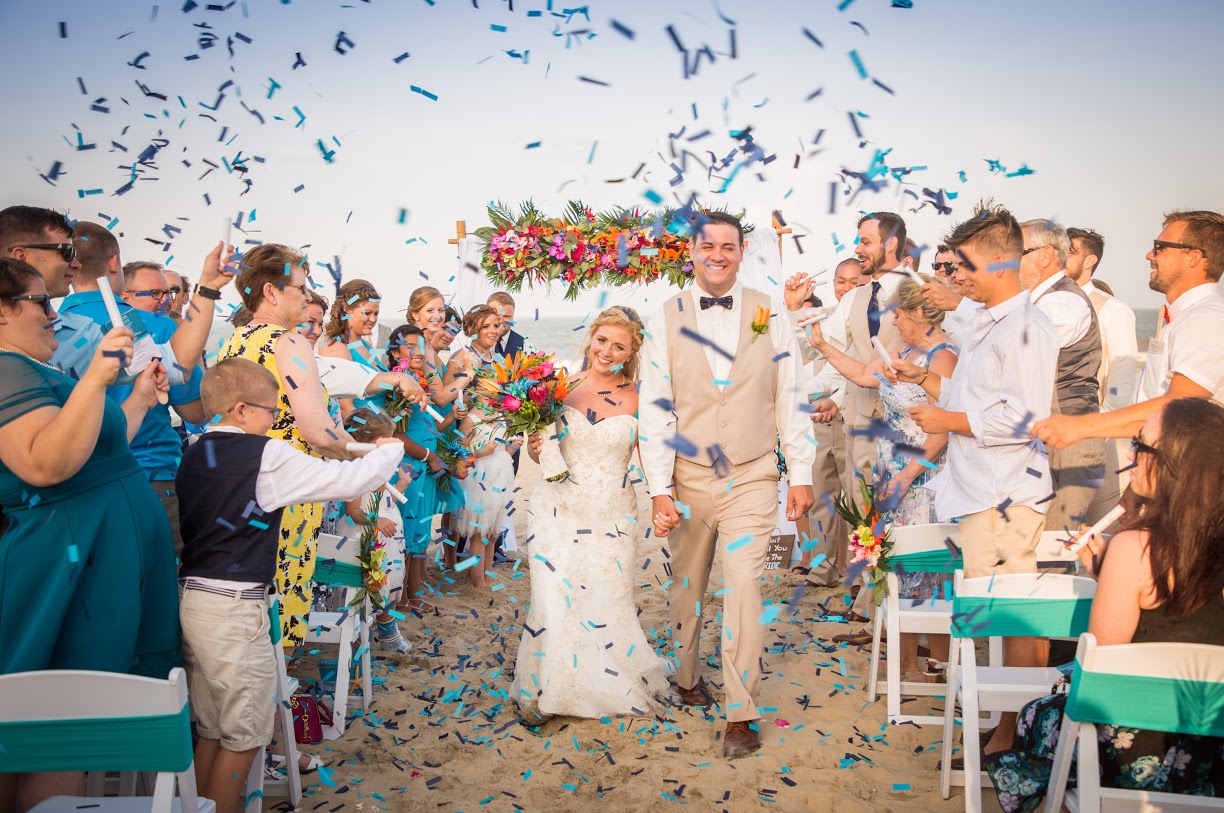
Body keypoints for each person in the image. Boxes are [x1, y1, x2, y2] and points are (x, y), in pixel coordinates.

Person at [176, 359, 403, 813]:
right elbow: (349, 481)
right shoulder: (263, 456)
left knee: (212, 729)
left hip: (193, 599)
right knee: (245, 734)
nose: (276, 419)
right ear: (240, 410)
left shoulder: (195, 449)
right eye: (270, 410)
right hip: (236, 605)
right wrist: (389, 450)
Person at [985, 398, 1224, 811]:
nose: (1130, 455)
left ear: (1174, 464)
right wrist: (1107, 573)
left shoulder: (1136, 549)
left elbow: (1098, 678)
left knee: (1038, 716)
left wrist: (1116, 569)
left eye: (1140, 445)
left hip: (1142, 750)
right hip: (1213, 750)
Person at [0, 257, 176, 811]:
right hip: (71, 559)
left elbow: (96, 449)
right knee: (58, 720)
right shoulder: (7, 369)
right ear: (3, 312)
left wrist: (140, 398)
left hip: (104, 554)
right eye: (39, 302)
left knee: (73, 715)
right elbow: (44, 465)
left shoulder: (35, 369)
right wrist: (97, 376)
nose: (53, 315)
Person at [886, 201, 1059, 757]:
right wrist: (929, 386)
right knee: (1002, 615)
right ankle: (1010, 727)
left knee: (1014, 618)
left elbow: (1026, 415)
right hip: (978, 490)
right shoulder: (991, 323)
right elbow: (973, 399)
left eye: (963, 267)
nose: (956, 278)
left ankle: (1016, 735)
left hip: (1004, 494)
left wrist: (948, 420)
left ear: (999, 263)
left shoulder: (1028, 327)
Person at [642, 212, 815, 758]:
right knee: (687, 588)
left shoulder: (771, 313)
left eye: (728, 246)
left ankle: (741, 713)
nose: (718, 255)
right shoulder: (661, 317)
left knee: (743, 588)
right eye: (707, 246)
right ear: (691, 252)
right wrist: (658, 488)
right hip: (688, 478)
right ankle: (688, 677)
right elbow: (654, 408)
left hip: (754, 474)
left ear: (743, 252)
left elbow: (790, 394)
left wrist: (802, 472)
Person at [217, 244, 426, 645]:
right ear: (271, 292)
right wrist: (371, 458)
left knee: (252, 603)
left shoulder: (236, 341)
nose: (307, 294)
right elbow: (318, 431)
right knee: (282, 601)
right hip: (288, 490)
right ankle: (283, 698)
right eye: (300, 286)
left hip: (240, 486)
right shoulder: (289, 342)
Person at [512, 307, 670, 720]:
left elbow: (652, 456)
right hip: (555, 508)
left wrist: (662, 498)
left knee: (604, 595)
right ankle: (549, 688)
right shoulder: (558, 388)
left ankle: (605, 682)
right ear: (589, 339)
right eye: (602, 340)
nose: (607, 350)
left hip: (612, 512)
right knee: (551, 595)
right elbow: (541, 442)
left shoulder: (640, 397)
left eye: (619, 345)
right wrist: (535, 448)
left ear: (632, 351)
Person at [805, 275, 957, 677]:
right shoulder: (906, 350)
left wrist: (907, 476)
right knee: (897, 569)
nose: (894, 324)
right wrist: (822, 345)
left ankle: (939, 666)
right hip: (893, 474)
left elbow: (943, 430)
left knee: (925, 573)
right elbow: (862, 376)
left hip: (924, 479)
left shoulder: (943, 359)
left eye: (899, 316)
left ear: (920, 313)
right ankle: (905, 663)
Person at [784, 212, 911, 636]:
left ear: (891, 244)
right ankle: (863, 597)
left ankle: (877, 608)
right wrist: (792, 309)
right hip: (859, 417)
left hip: (904, 424)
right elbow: (825, 350)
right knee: (861, 514)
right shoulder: (856, 299)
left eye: (865, 241)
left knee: (889, 515)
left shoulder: (917, 290)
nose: (858, 248)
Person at [63, 222, 215, 557]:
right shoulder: (157, 326)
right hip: (150, 475)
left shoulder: (48, 328)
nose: (164, 300)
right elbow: (195, 411)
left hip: (74, 479)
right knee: (160, 585)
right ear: (114, 263)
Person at [1033, 210, 1224, 449]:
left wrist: (1082, 427)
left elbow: (1180, 405)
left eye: (1160, 247)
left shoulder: (1205, 319)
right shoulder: (1187, 318)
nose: (1149, 255)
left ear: (1194, 257)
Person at [1018, 219, 1105, 532]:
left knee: (1053, 550)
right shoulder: (1036, 301)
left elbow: (1018, 351)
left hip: (1068, 446)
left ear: (1043, 256)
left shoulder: (1063, 301)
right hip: (1048, 441)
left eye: (1017, 251)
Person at [789, 257, 861, 589]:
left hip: (854, 420)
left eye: (853, 281)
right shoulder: (829, 316)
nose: (846, 288)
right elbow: (810, 350)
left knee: (858, 500)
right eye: (840, 281)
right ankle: (822, 570)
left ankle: (860, 575)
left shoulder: (870, 315)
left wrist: (838, 400)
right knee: (821, 498)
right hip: (818, 419)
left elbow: (862, 370)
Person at [1065, 226, 1139, 522]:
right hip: (1052, 442)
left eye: (1070, 252)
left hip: (1097, 442)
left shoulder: (1113, 310)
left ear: (1090, 260)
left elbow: (1122, 379)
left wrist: (1096, 433)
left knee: (1097, 531)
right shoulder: (1044, 306)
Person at [454, 401, 519, 588]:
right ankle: (478, 582)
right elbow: (459, 456)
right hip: (480, 479)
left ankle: (487, 575)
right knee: (479, 533)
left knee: (492, 533)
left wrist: (513, 446)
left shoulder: (501, 415)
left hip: (501, 477)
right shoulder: (470, 419)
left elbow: (504, 450)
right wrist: (480, 453)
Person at [317, 279, 386, 420]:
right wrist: (373, 436)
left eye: (376, 314)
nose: (373, 319)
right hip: (364, 435)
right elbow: (345, 409)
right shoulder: (337, 349)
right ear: (347, 311)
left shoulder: (364, 345)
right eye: (367, 313)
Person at [488, 291, 526, 358]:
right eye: (496, 315)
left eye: (506, 316)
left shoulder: (525, 346)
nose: (501, 321)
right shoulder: (472, 342)